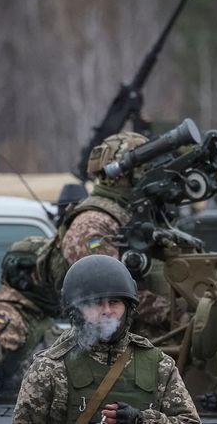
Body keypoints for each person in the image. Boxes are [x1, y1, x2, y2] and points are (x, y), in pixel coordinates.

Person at [14, 254, 200, 424]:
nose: (107, 311)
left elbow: (189, 421)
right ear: (77, 311)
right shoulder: (49, 369)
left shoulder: (159, 365)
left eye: (114, 302)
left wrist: (141, 420)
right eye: (96, 303)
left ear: (128, 308)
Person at [38, 131, 173, 339]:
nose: (150, 172)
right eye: (144, 166)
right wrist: (179, 314)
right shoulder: (91, 223)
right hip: (111, 349)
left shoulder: (131, 213)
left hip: (149, 341)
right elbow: (109, 294)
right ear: (122, 172)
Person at [0, 236, 62, 399]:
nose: (53, 277)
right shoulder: (5, 315)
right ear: (24, 276)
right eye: (45, 271)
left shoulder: (34, 313)